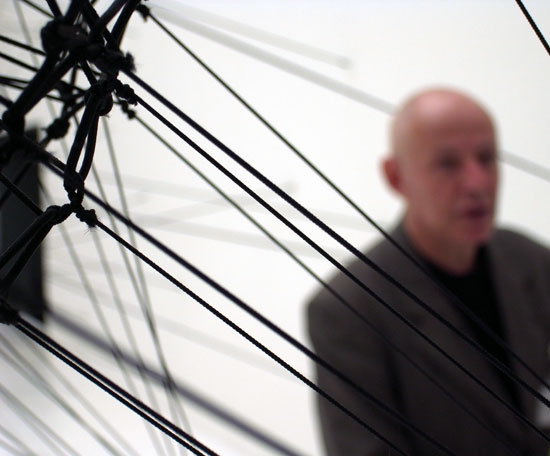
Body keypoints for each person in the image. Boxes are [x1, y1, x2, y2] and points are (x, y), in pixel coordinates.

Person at [307, 88, 550, 455]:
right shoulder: (348, 311)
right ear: (395, 177)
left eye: (486, 158)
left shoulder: (531, 261)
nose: (477, 183)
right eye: (448, 164)